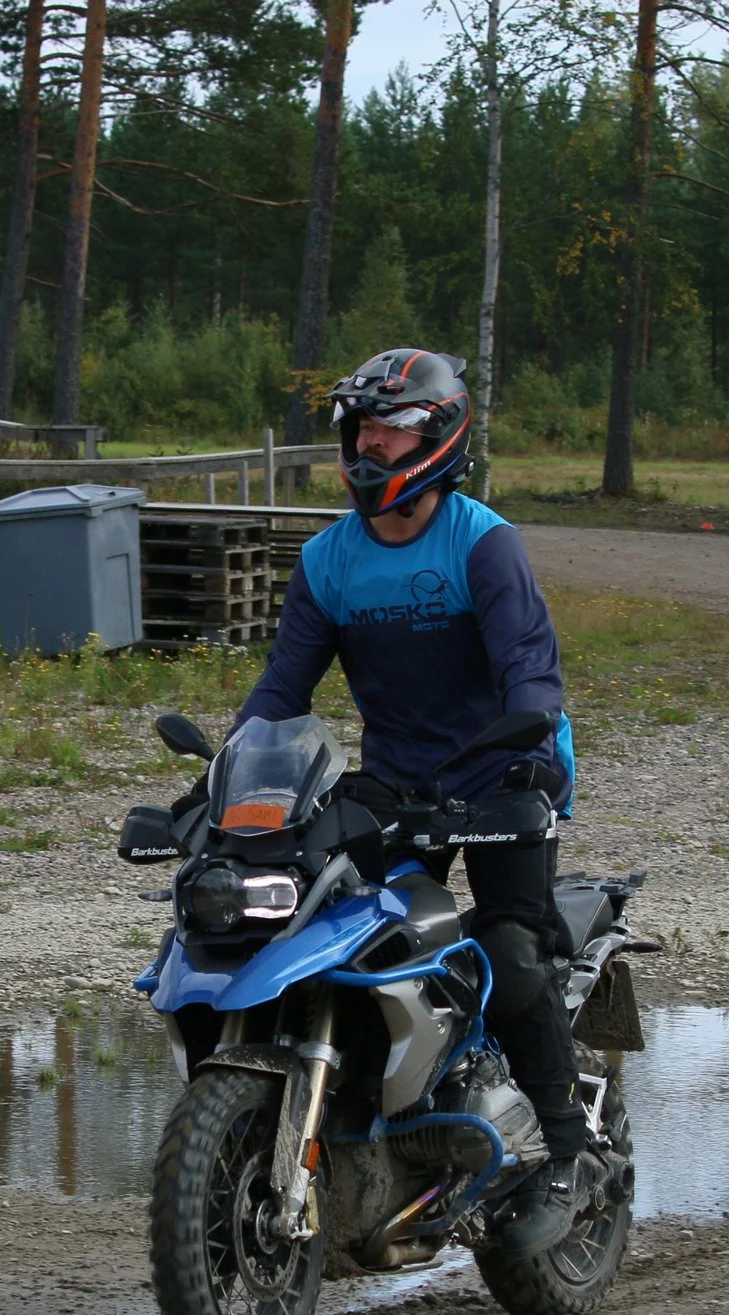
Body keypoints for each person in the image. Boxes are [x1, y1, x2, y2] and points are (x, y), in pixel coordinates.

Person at [228, 346, 595, 1254]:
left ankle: (566, 1153)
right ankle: (370, 1131)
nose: (369, 445)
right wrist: (227, 780)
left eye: (389, 429)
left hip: (503, 772)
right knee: (342, 941)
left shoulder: (482, 542)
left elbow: (528, 672)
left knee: (507, 946)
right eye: (360, 428)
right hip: (395, 782)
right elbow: (282, 693)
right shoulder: (328, 561)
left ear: (437, 437)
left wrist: (533, 761)